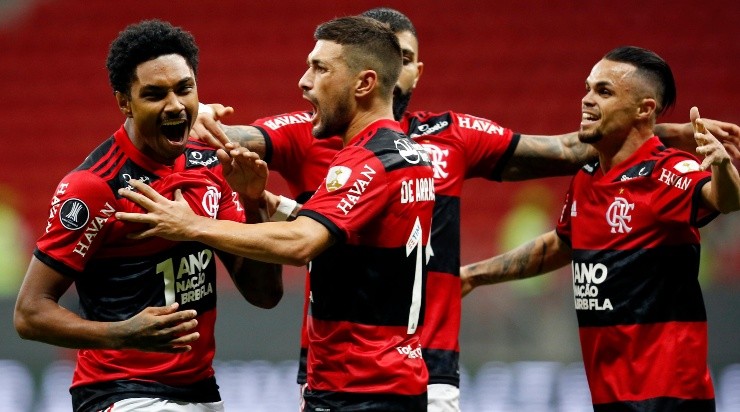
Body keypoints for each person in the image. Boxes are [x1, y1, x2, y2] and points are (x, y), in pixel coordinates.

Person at [191, 8, 740, 411]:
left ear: (412, 70)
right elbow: (233, 144)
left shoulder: (451, 135)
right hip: (333, 365)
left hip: (428, 368)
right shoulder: (309, 133)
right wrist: (196, 120)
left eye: (405, 57)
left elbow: (565, 147)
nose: (396, 67)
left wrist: (657, 131)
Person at [116, 16, 435, 411]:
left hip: (360, 387)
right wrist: (263, 202)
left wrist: (193, 225)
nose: (304, 81)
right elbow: (357, 241)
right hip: (394, 380)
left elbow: (301, 243)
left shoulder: (369, 160)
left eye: (320, 68)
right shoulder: (409, 155)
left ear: (364, 83)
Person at [13, 19, 283, 412]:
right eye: (155, 94)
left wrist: (253, 201)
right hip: (120, 392)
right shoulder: (94, 186)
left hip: (200, 391)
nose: (175, 105)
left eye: (184, 89)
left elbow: (265, 294)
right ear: (125, 102)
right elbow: (30, 313)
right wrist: (122, 333)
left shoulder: (209, 164)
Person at [460, 46, 740, 411]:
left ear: (644, 109)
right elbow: (562, 244)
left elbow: (724, 199)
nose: (587, 100)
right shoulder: (587, 177)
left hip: (668, 397)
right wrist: (474, 275)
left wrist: (722, 167)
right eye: (588, 88)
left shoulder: (665, 170)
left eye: (604, 91)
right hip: (609, 396)